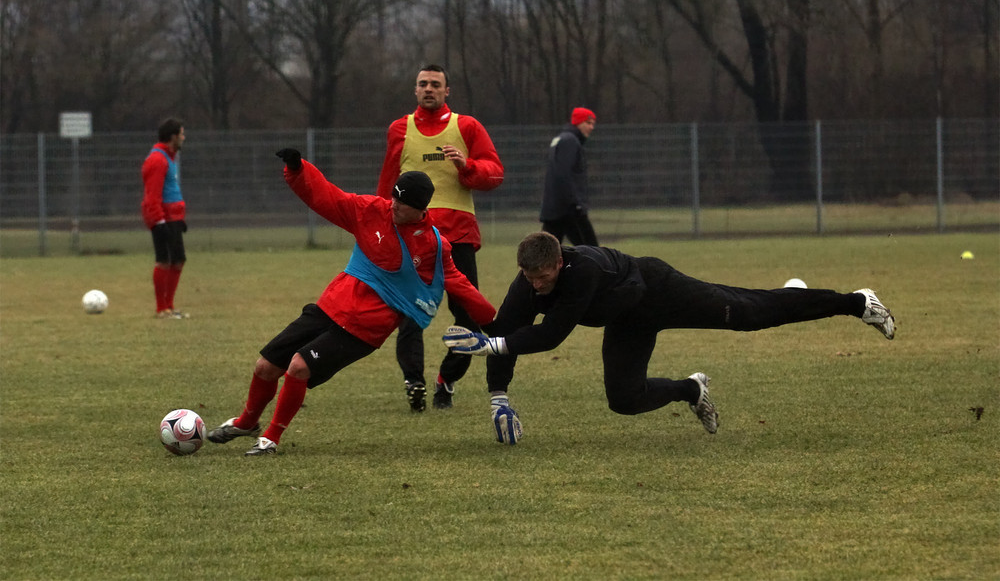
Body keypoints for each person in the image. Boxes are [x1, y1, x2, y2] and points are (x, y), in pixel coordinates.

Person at [444, 231, 896, 444]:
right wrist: (498, 396)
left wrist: (491, 344)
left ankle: (857, 302)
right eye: (530, 277)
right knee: (623, 398)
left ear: (559, 263)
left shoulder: (582, 271)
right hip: (628, 319)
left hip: (659, 291)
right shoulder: (527, 284)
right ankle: (691, 390)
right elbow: (506, 331)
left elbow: (553, 335)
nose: (536, 285)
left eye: (543, 277)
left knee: (750, 314)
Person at [208, 150, 496, 456]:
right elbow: (329, 197)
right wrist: (298, 169)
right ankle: (246, 422)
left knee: (298, 366)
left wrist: (495, 322)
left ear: (420, 209)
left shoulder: (435, 246)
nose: (393, 204)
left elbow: (460, 285)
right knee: (265, 366)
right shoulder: (373, 210)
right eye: (393, 197)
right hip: (332, 305)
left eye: (402, 202)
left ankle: (271, 438)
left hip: (365, 328)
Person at [376, 64, 504, 412]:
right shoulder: (399, 129)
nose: (428, 88)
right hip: (412, 239)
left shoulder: (466, 126)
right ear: (415, 90)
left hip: (458, 236)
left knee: (468, 317)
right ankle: (414, 381)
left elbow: (495, 175)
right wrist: (380, 229)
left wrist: (467, 166)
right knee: (409, 312)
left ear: (448, 91)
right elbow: (388, 185)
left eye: (435, 84)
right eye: (422, 84)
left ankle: (445, 380)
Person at [141, 118, 189, 319]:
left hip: (173, 218)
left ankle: (169, 306)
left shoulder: (170, 158)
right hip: (163, 219)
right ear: (173, 137)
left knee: (178, 261)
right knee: (164, 261)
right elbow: (152, 195)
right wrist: (158, 221)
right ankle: (162, 309)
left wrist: (180, 218)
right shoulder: (157, 159)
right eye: (181, 134)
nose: (183, 138)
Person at [540, 107, 598, 246]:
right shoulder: (570, 141)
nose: (591, 127)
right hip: (569, 210)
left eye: (593, 124)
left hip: (555, 209)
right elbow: (563, 174)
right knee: (594, 254)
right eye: (588, 123)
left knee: (545, 254)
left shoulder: (561, 139)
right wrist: (576, 204)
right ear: (578, 122)